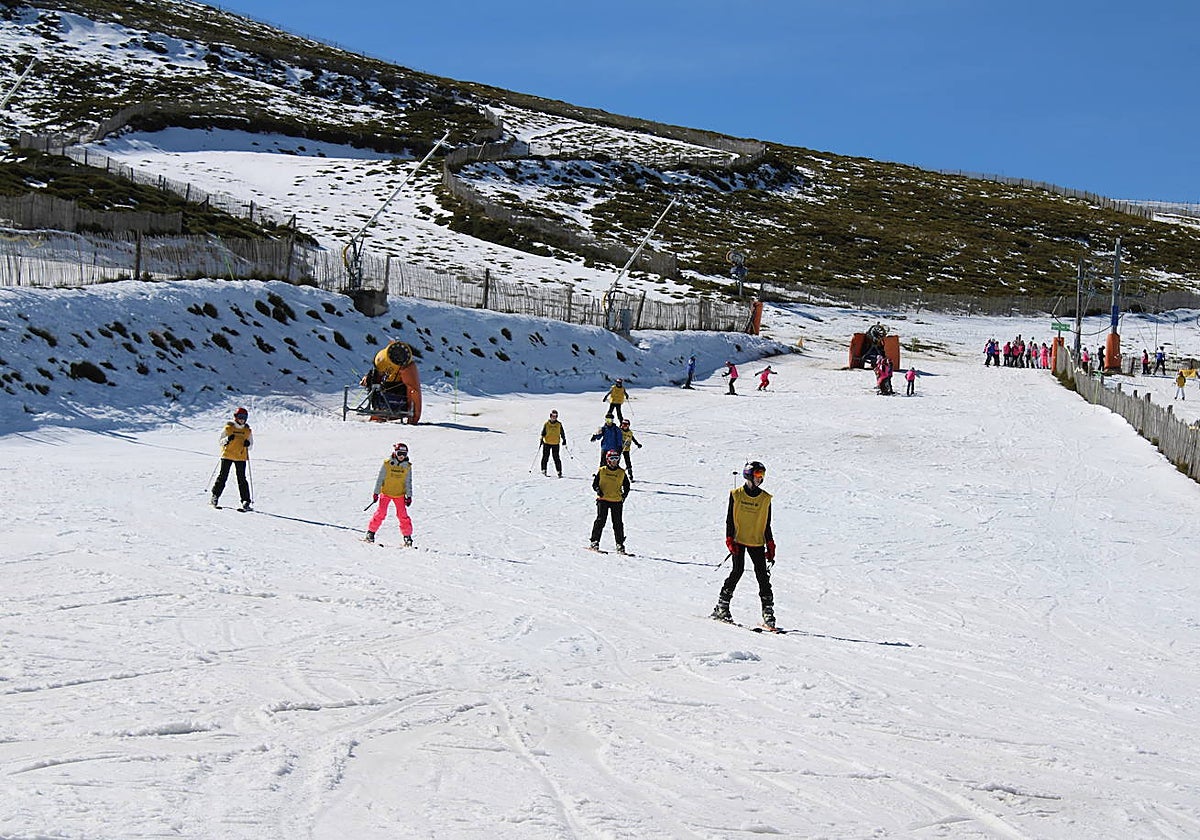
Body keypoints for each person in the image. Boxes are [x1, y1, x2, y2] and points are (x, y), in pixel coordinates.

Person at [711, 460, 777, 630]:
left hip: (756, 540)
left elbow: (766, 523)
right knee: (737, 571)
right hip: (738, 540)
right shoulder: (736, 495)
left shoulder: (765, 499)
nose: (760, 478)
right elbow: (729, 519)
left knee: (762, 575)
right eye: (757, 475)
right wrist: (729, 539)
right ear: (748, 475)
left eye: (762, 475)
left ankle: (768, 613)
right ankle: (722, 606)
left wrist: (770, 544)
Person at [365, 442, 413, 546]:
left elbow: (408, 481)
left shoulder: (407, 466)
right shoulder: (387, 464)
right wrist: (376, 493)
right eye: (399, 453)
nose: (401, 456)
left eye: (404, 454)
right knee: (381, 513)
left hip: (399, 494)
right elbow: (380, 479)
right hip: (386, 493)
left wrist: (409, 496)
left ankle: (407, 537)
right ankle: (370, 533)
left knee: (403, 515)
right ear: (395, 453)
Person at [211, 406, 253, 511]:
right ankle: (215, 496)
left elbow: (251, 446)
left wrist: (247, 444)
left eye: (244, 417)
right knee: (223, 477)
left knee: (242, 479)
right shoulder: (228, 428)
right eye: (240, 417)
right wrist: (227, 439)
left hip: (241, 457)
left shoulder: (247, 430)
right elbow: (220, 441)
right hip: (227, 455)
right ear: (235, 417)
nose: (242, 419)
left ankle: (246, 500)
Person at [589, 449, 630, 554]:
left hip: (616, 500)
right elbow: (595, 484)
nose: (614, 461)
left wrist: (624, 495)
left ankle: (620, 545)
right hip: (603, 500)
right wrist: (598, 490)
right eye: (612, 459)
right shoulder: (602, 470)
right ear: (608, 460)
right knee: (600, 521)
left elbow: (627, 485)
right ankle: (594, 542)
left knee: (617, 523)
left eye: (616, 458)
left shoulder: (621, 472)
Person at [539, 409, 567, 477]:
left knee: (556, 458)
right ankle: (543, 470)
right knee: (545, 457)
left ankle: (559, 471)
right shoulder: (546, 424)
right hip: (547, 443)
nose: (554, 417)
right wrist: (541, 439)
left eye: (555, 416)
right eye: (553, 416)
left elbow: (562, 433)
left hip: (555, 443)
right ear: (550, 416)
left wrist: (564, 440)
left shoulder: (559, 424)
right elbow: (543, 433)